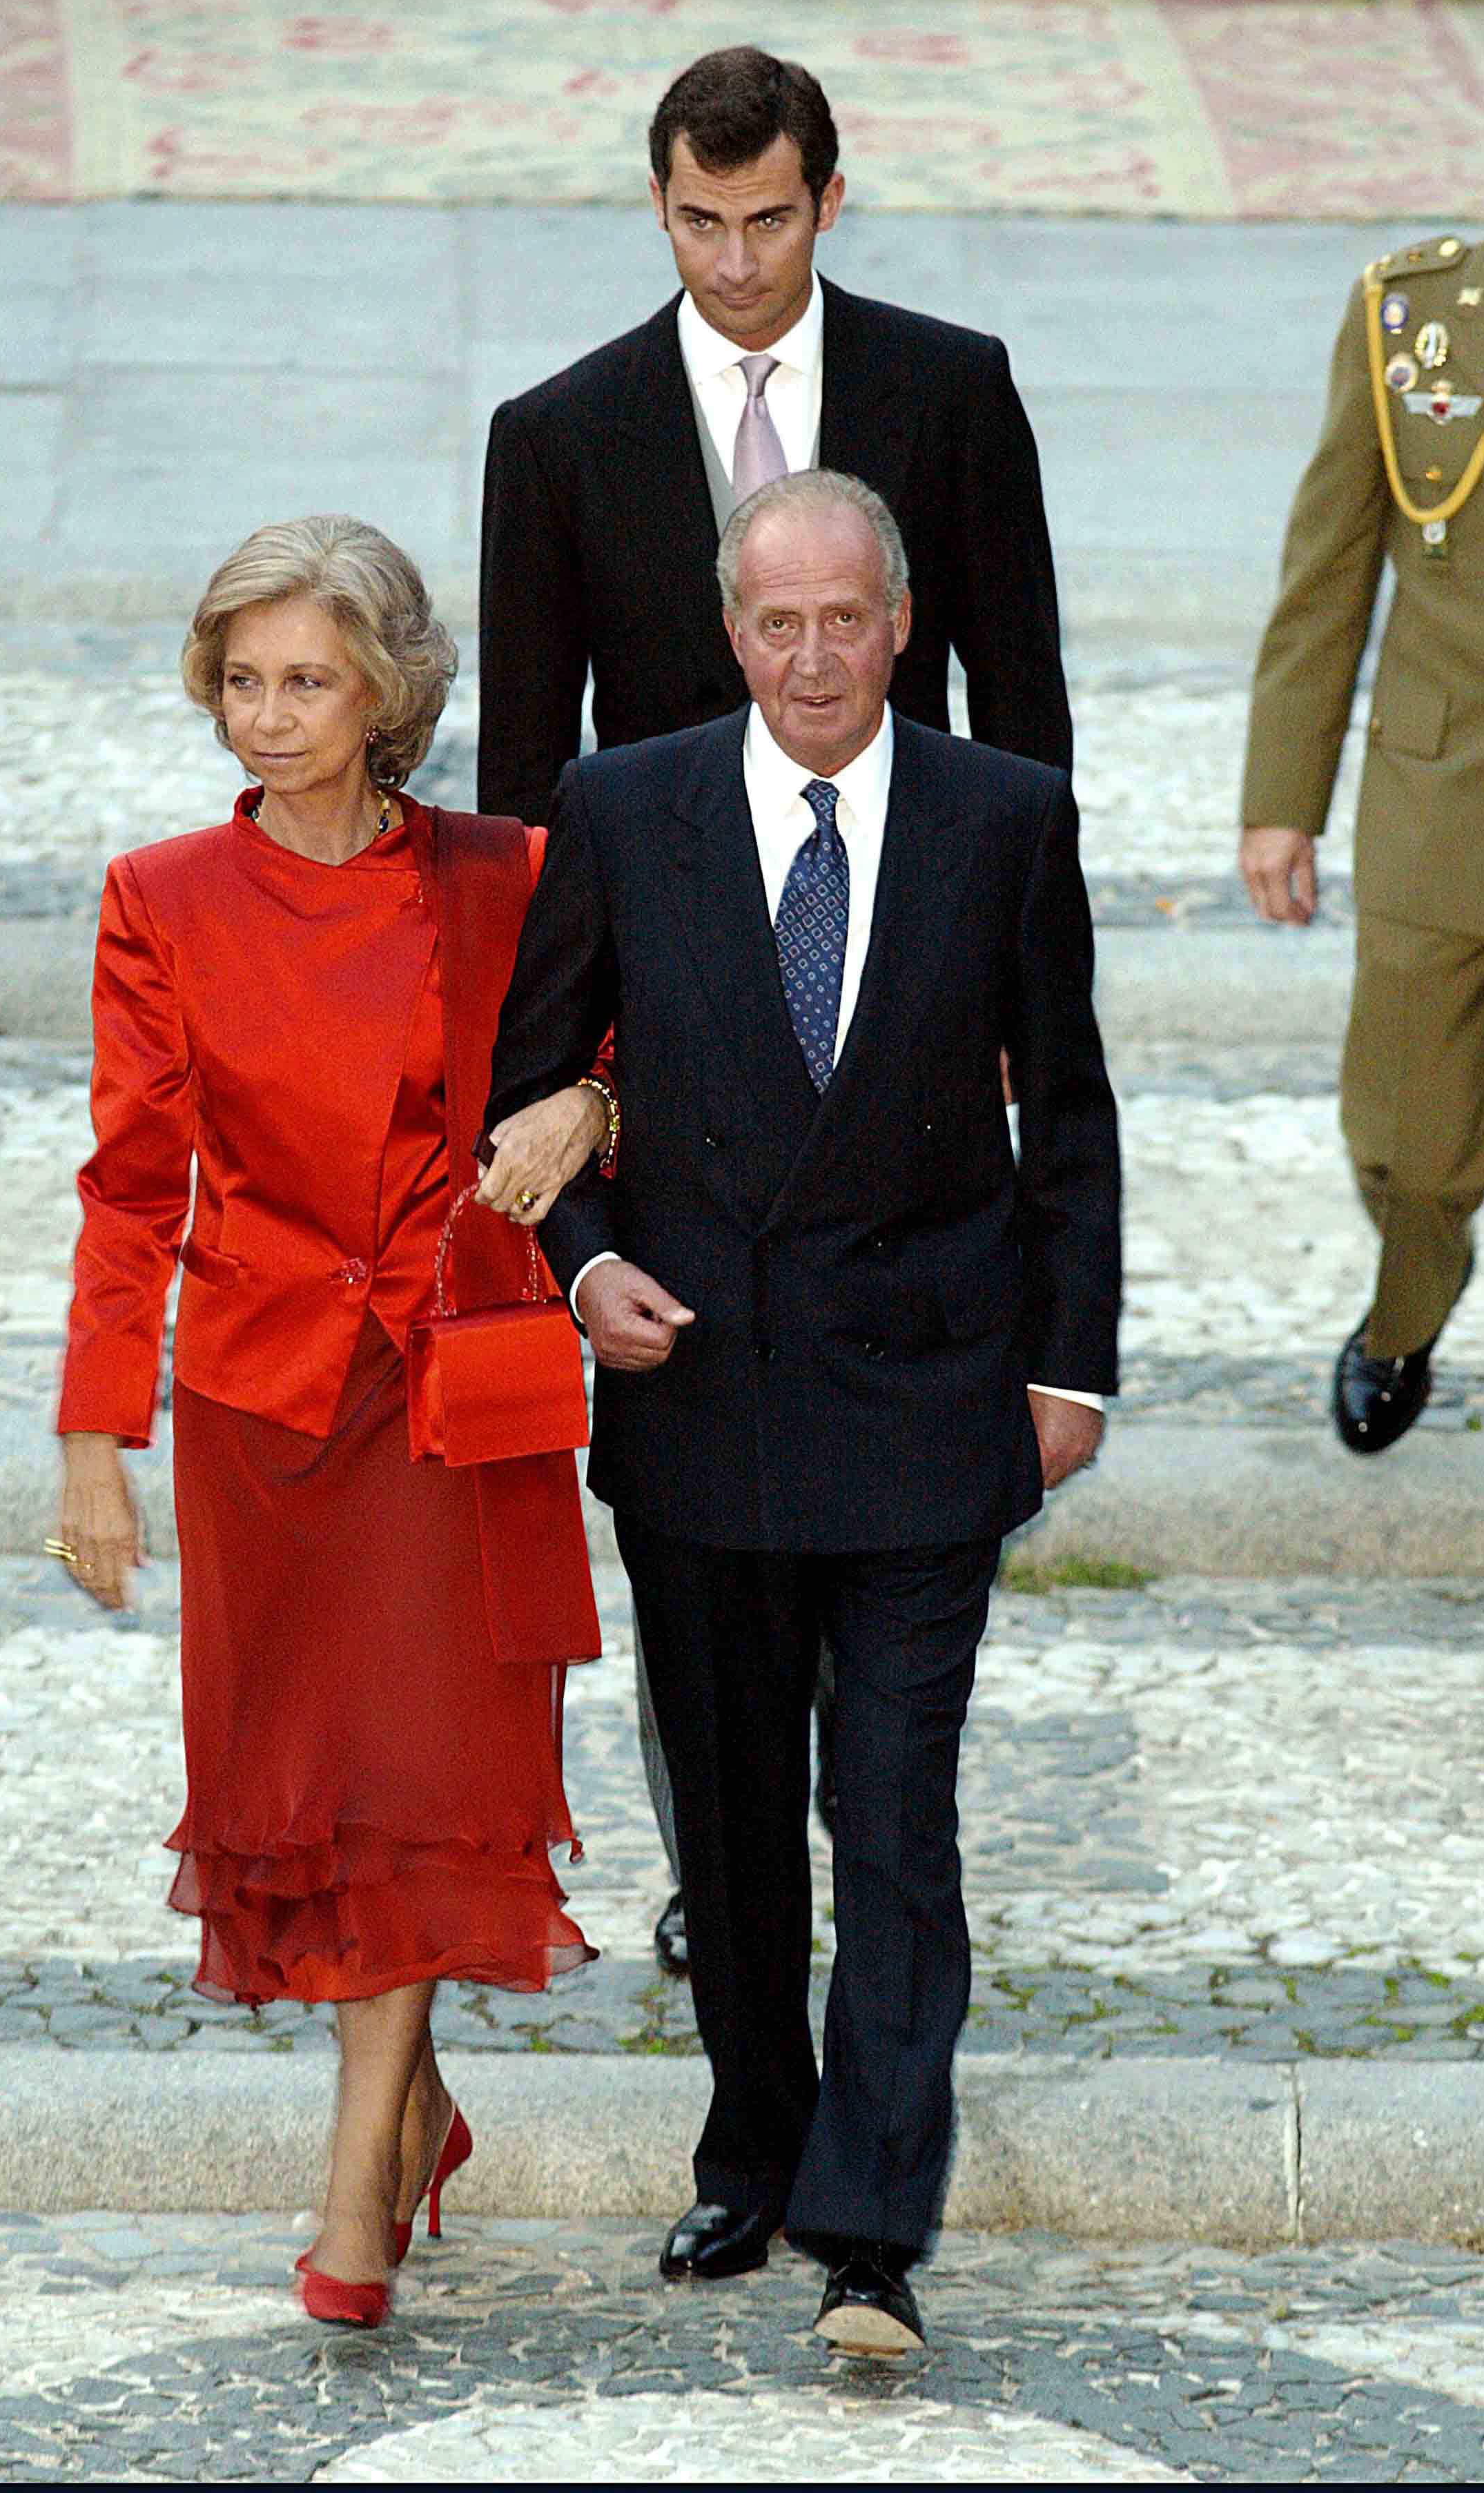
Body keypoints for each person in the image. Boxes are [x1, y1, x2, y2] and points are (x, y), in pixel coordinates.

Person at [485, 471, 1121, 2359]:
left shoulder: (1007, 817)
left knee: (894, 1815)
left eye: (849, 618)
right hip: (707, 1403)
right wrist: (588, 1273)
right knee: (742, 1830)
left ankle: (870, 2227)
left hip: (930, 1401)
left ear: (903, 621)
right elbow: (539, 1089)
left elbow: (1067, 1115)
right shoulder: (622, 806)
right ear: (732, 625)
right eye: (780, 622)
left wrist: (1066, 1367)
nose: (817, 656)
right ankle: (755, 2150)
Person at [478, 42, 1075, 1978]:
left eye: (768, 219)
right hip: (673, 1015)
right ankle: (713, 1860)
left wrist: (1011, 984)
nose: (735, 263)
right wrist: (555, 1072)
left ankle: (872, 1858)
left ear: (830, 199)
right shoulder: (557, 432)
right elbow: (516, 777)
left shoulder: (950, 387)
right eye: (696, 223)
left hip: (898, 973)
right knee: (694, 1457)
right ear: (657, 210)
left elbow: (1025, 700)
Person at [51, 516, 612, 2332]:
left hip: (458, 1384)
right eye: (242, 679)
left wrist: (587, 1120)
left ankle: (355, 2183)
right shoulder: (163, 899)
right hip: (266, 1405)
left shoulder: (505, 873)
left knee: (434, 1781)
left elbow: (625, 1041)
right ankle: (410, 2101)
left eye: (308, 679)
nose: (270, 715)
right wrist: (90, 1439)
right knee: (329, 1795)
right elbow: (133, 1188)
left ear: (387, 692)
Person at [1239, 2, 1484, 1456]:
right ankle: (1409, 1306)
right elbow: (1328, 573)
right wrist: (1278, 800)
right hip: (1445, 810)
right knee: (1414, 1146)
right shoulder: (1409, 313)